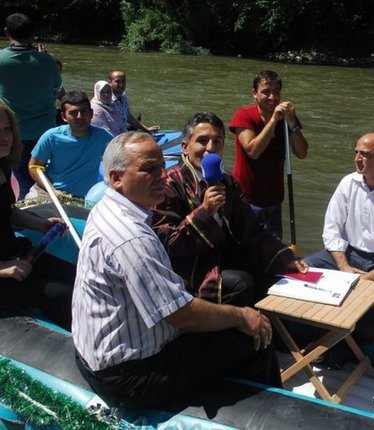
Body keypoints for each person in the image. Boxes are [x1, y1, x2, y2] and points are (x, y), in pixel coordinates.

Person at [72, 131, 282, 409]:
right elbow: (181, 315)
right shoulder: (131, 238)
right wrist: (242, 316)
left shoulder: (107, 208)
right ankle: (273, 413)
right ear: (116, 178)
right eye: (149, 169)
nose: (162, 175)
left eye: (162, 166)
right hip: (129, 374)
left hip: (102, 354)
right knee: (255, 337)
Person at [152, 112, 308, 305]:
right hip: (191, 266)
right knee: (241, 283)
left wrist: (284, 256)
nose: (210, 148)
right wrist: (204, 212)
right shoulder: (170, 184)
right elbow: (167, 244)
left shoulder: (226, 181)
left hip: (224, 256)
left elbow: (252, 228)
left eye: (217, 141)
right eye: (202, 141)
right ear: (185, 147)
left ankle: (274, 320)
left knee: (274, 271)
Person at [303, 132, 374, 348]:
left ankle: (351, 346)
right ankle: (309, 333)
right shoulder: (347, 183)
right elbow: (331, 230)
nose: (357, 158)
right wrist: (344, 266)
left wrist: (373, 275)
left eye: (364, 154)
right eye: (356, 153)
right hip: (348, 253)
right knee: (306, 268)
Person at [0, 102, 74, 330]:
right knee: (65, 296)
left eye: (7, 128)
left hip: (15, 253)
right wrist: (2, 268)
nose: (4, 137)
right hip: (4, 272)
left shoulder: (2, 168)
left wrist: (40, 224)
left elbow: (6, 212)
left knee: (79, 277)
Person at [229, 70, 308, 239]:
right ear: (254, 93)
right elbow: (253, 151)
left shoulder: (286, 118)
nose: (272, 97)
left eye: (276, 92)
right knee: (244, 247)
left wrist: (292, 122)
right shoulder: (243, 115)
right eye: (266, 92)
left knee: (272, 247)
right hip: (246, 199)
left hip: (274, 200)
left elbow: (302, 153)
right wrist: (273, 120)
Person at [0, 13, 62, 198]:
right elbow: (56, 90)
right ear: (33, 33)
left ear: (7, 32)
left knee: (13, 180)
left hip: (12, 131)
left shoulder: (1, 59)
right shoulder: (47, 60)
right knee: (40, 176)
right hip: (45, 131)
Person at [26, 91, 112, 200]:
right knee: (26, 208)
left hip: (85, 198)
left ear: (91, 113)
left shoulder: (105, 138)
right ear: (64, 116)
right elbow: (34, 166)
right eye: (73, 113)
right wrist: (52, 190)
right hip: (50, 191)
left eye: (84, 111)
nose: (80, 116)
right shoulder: (51, 137)